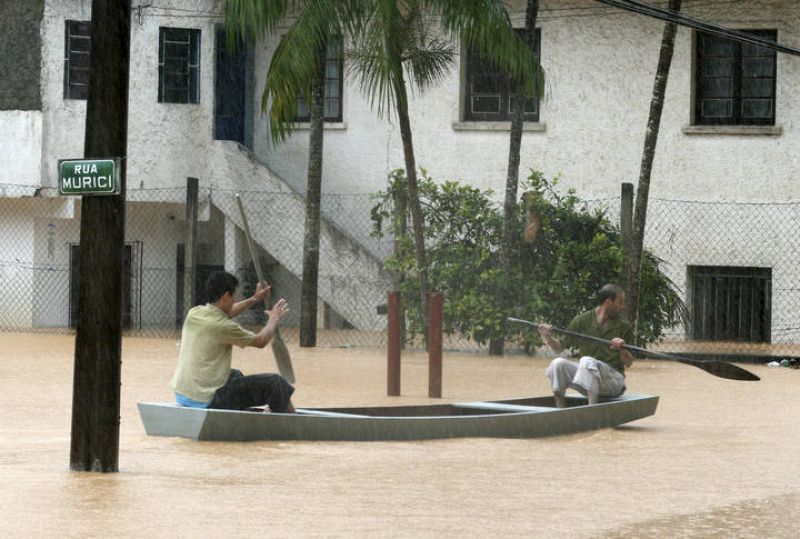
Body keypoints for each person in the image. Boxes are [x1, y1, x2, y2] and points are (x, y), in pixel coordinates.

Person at [170, 270, 296, 413]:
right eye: (233, 296)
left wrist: (254, 299)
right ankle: (286, 418)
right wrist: (274, 319)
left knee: (235, 375)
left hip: (183, 394)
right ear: (225, 297)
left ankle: (243, 414)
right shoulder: (223, 326)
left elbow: (228, 312)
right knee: (276, 383)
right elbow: (261, 341)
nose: (235, 300)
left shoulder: (195, 313)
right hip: (208, 399)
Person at [538, 284, 634, 407]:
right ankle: (560, 409)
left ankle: (591, 410)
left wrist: (622, 350)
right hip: (587, 380)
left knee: (587, 361)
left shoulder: (624, 326)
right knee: (558, 364)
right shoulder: (582, 320)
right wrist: (548, 337)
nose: (622, 307)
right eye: (620, 302)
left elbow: (629, 363)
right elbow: (559, 348)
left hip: (612, 382)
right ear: (608, 302)